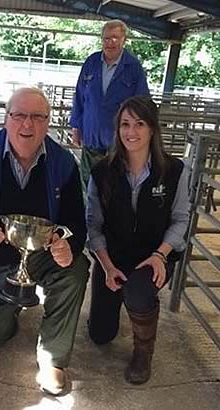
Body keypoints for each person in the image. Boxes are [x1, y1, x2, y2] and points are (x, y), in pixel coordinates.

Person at [0, 87, 90, 396]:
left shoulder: (63, 164)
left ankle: (53, 359)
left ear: (49, 122)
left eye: (37, 117)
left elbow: (76, 222)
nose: (27, 125)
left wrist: (67, 244)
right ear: (6, 119)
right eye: (19, 115)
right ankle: (10, 307)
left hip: (41, 254)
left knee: (76, 269)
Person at [86, 96, 190, 384]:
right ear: (117, 129)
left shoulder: (174, 171)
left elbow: (182, 219)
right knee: (100, 335)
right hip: (113, 256)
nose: (131, 132)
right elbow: (93, 226)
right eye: (125, 124)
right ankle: (110, 302)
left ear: (153, 129)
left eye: (139, 124)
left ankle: (143, 353)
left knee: (138, 290)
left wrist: (160, 255)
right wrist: (106, 265)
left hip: (153, 255)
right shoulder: (102, 171)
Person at [70, 19, 150, 188]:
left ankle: (111, 214)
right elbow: (79, 96)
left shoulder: (133, 67)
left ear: (124, 40)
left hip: (119, 140)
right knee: (88, 181)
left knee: (116, 183)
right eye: (106, 38)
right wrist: (76, 127)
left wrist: (138, 135)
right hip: (91, 135)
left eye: (115, 38)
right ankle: (89, 214)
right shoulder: (91, 63)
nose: (110, 42)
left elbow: (142, 103)